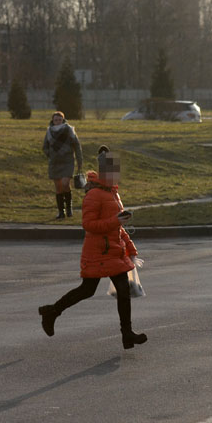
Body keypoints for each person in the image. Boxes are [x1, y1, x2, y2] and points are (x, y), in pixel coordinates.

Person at [38, 147, 148, 350]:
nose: (117, 175)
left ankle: (127, 335)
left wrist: (131, 250)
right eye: (113, 171)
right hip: (97, 252)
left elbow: (118, 226)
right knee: (86, 290)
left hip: (114, 251)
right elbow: (89, 225)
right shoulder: (94, 194)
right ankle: (52, 312)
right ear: (104, 172)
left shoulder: (113, 193)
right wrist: (115, 220)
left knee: (123, 291)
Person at [42, 111, 84, 219]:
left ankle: (69, 208)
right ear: (53, 121)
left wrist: (80, 161)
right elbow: (45, 146)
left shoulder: (69, 130)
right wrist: (50, 154)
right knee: (58, 187)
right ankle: (61, 212)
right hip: (54, 162)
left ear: (63, 120)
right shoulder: (49, 131)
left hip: (67, 161)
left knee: (65, 183)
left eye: (59, 119)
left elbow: (77, 146)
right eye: (55, 120)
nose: (57, 122)